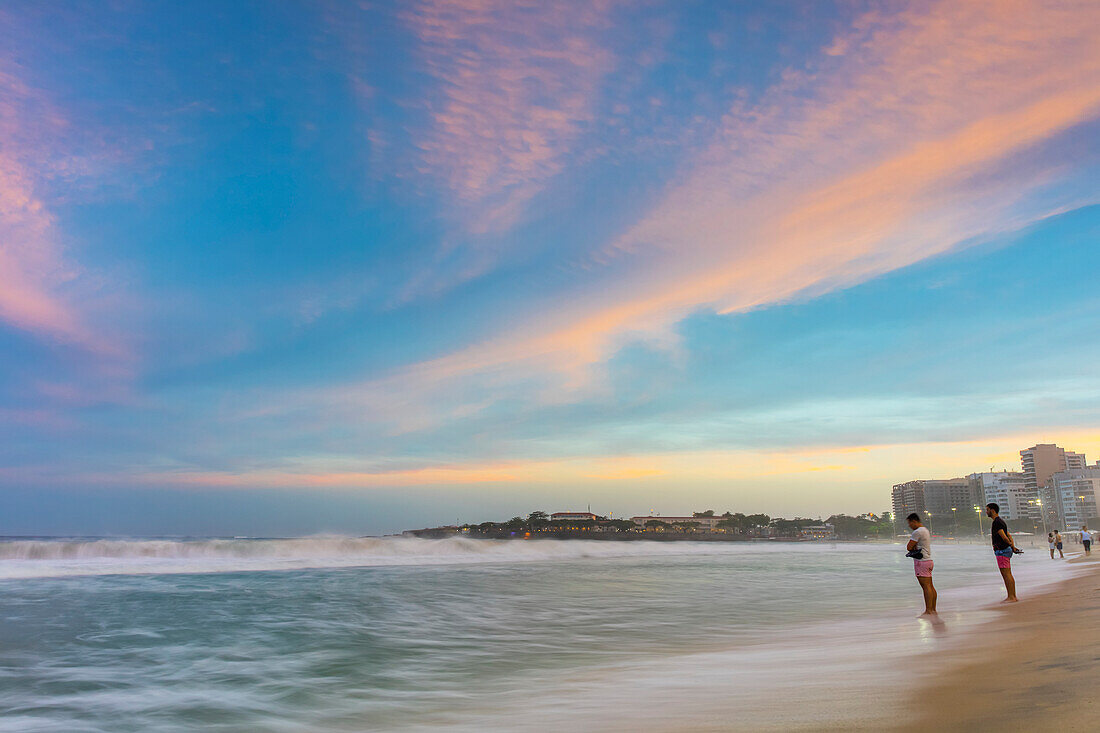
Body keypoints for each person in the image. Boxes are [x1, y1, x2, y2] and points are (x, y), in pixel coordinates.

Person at [986, 503, 1019, 602]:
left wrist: (1010, 545)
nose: (986, 512)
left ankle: (1011, 597)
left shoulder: (996, 522)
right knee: (1008, 573)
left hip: (1002, 550)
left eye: (987, 510)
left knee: (1006, 574)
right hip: (1005, 549)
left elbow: (1004, 537)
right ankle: (1012, 596)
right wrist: (1012, 546)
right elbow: (1009, 535)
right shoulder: (1001, 521)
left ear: (992, 510)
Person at [906, 512, 936, 615]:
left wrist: (913, 547)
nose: (909, 526)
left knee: (926, 587)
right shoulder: (925, 530)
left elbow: (909, 547)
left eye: (909, 523)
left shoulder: (917, 532)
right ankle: (933, 609)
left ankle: (928, 610)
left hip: (921, 562)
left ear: (914, 521)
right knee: (930, 586)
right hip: (928, 560)